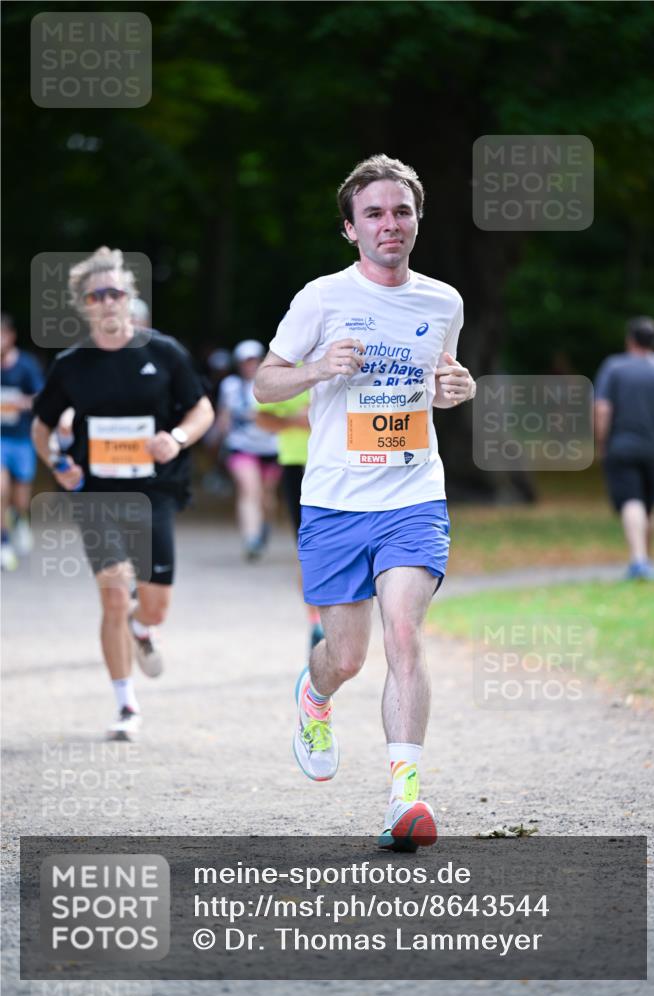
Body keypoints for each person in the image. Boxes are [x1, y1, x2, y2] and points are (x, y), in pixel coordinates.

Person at [254, 154, 476, 851]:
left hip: (413, 495)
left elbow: (441, 379)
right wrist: (319, 367)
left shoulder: (443, 302)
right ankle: (315, 696)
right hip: (334, 502)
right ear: (351, 229)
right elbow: (264, 383)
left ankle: (403, 797)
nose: (390, 224)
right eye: (374, 213)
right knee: (346, 656)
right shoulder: (320, 298)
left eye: (401, 211)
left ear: (416, 221)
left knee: (404, 633)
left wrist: (454, 390)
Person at [31, 247, 214, 739]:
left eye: (117, 292)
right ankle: (126, 706)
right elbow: (41, 427)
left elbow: (202, 412)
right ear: (84, 304)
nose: (109, 302)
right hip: (97, 496)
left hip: (154, 492)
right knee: (113, 594)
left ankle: (143, 627)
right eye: (98, 294)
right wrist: (59, 466)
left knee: (152, 607)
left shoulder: (163, 352)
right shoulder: (71, 366)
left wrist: (174, 439)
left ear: (129, 298)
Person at [594, 316, 654, 580]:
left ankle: (638, 561)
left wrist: (601, 443)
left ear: (630, 339)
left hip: (622, 446)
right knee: (650, 504)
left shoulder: (615, 368)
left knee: (631, 501)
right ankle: (646, 558)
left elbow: (602, 409)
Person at [255, 388, 324, 648]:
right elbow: (261, 417)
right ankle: (316, 621)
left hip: (343, 464)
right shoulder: (290, 364)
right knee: (308, 547)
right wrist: (294, 421)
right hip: (297, 464)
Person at [216, 340, 281, 560]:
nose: (250, 365)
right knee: (249, 490)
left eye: (254, 360)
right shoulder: (230, 386)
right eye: (246, 361)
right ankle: (251, 538)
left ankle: (264, 526)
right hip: (241, 446)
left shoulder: (275, 383)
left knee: (267, 497)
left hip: (271, 447)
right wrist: (220, 438)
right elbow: (223, 416)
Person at [1, 313, 44, 570]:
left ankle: (19, 519)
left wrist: (21, 404)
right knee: (0, 490)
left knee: (19, 498)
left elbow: (41, 397)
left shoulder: (26, 365)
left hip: (21, 438)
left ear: (10, 337)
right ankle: (3, 542)